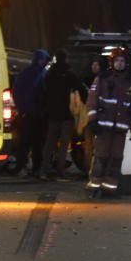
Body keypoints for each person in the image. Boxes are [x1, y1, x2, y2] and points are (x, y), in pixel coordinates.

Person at [84, 47, 131, 198]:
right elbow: (91, 101)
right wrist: (93, 120)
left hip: (120, 129)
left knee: (116, 160)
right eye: (117, 61)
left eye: (122, 61)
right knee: (101, 157)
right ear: (111, 63)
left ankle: (109, 188)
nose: (120, 64)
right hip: (103, 127)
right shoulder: (102, 78)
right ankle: (94, 187)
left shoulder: (129, 82)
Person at [40, 50, 83, 180]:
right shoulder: (69, 74)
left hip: (52, 114)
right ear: (66, 59)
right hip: (66, 114)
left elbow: (43, 92)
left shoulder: (49, 74)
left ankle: (44, 169)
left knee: (49, 143)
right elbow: (79, 88)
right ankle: (60, 170)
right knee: (64, 145)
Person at [10, 48, 51, 178]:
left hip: (38, 114)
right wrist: (23, 109)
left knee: (37, 143)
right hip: (28, 114)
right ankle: (22, 166)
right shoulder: (28, 74)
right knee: (26, 143)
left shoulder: (42, 74)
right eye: (42, 59)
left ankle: (34, 167)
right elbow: (18, 94)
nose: (43, 62)